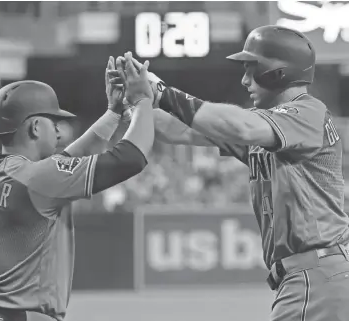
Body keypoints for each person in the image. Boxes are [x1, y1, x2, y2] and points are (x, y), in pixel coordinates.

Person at [129, 25, 349, 320]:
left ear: (277, 72)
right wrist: (133, 103)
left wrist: (161, 92)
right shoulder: (267, 130)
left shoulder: (307, 112)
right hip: (310, 278)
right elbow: (177, 129)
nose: (245, 80)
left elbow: (240, 125)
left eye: (251, 69)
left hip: (316, 276)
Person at [0, 52, 154, 321]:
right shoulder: (38, 179)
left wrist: (113, 114)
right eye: (53, 122)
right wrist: (142, 100)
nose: (59, 131)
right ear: (34, 127)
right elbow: (132, 158)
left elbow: (63, 162)